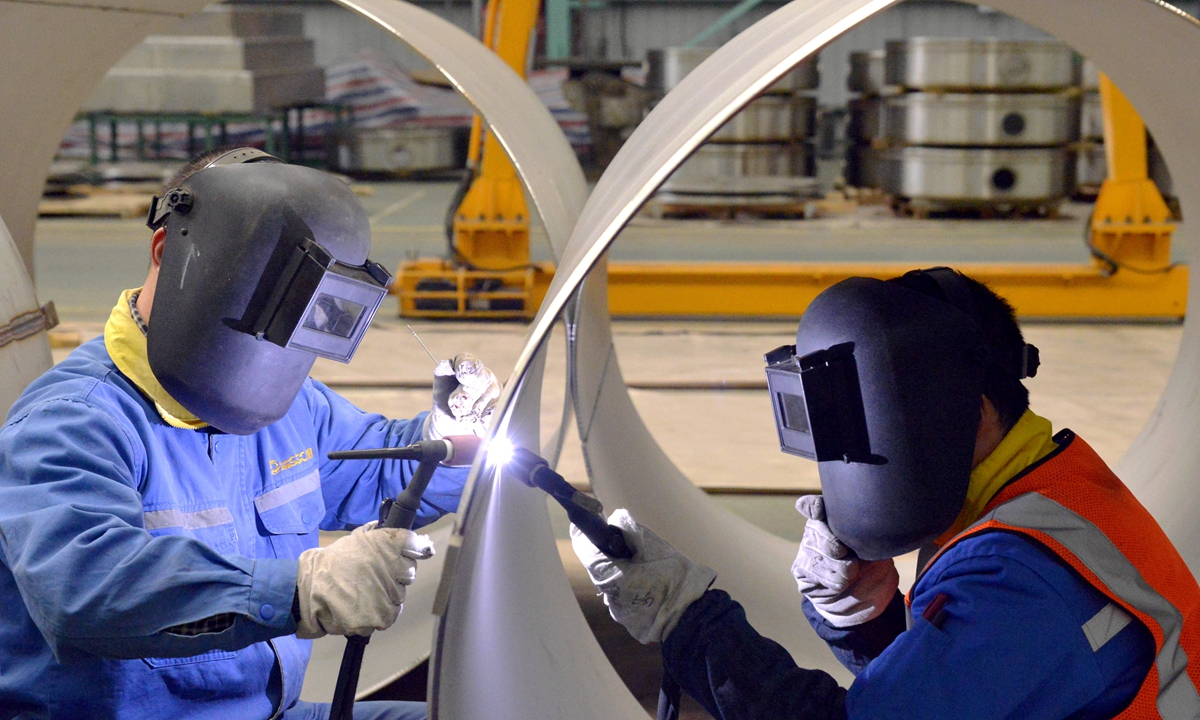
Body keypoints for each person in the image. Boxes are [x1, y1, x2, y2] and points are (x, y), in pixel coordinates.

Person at [0, 148, 500, 720]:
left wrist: (456, 439)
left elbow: (379, 470)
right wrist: (297, 590)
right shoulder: (74, 420)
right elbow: (84, 591)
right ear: (168, 251)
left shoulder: (283, 406)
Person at [572, 267, 1200, 719]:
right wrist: (867, 618)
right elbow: (957, 688)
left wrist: (684, 617)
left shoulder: (1016, 573)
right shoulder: (1047, 494)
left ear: (970, 411)